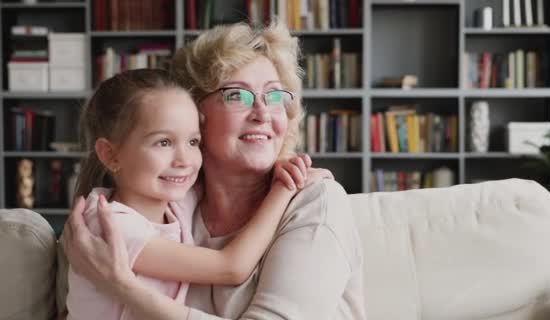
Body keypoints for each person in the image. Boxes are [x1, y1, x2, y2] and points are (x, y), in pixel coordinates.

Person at [62, 21, 366, 320]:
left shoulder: (314, 202)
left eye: (274, 96)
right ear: (193, 115)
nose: (262, 114)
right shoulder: (172, 204)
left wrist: (120, 285)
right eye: (236, 95)